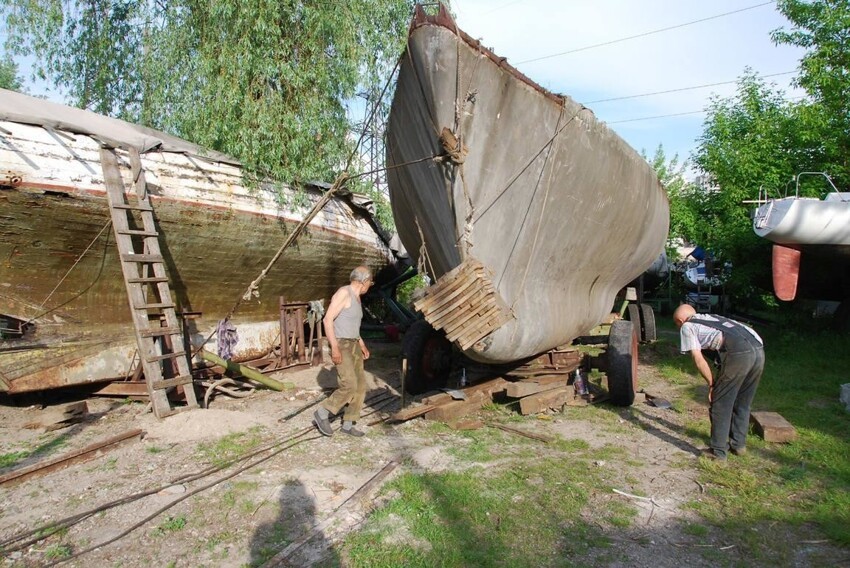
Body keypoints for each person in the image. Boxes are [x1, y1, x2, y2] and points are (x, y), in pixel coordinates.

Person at [673, 304, 764, 461]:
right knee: (742, 402)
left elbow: (698, 358)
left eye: (677, 324)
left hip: (738, 354)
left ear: (680, 320)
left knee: (720, 403)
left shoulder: (687, 326)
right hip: (759, 350)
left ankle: (718, 452)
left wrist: (711, 384)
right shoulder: (713, 318)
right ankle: (738, 445)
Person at [313, 266, 373, 437]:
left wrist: (361, 344)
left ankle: (348, 424)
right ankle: (323, 412)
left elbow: (353, 326)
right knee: (349, 385)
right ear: (364, 281)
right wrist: (335, 348)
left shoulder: (357, 298)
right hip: (342, 344)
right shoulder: (344, 293)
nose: (370, 285)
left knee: (360, 386)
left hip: (353, 343)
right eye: (370, 281)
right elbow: (327, 320)